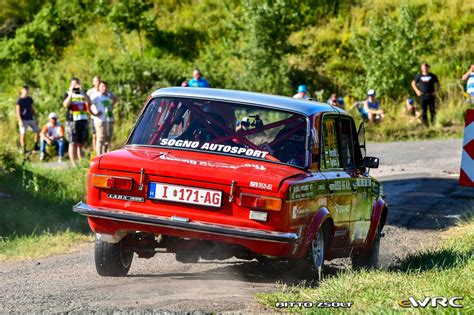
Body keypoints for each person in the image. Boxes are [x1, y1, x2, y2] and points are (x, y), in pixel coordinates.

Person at [63, 78, 92, 166]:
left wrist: (82, 91)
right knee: (72, 142)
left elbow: (90, 102)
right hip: (72, 121)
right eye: (74, 84)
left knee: (81, 142)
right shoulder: (68, 93)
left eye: (77, 84)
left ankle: (81, 161)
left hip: (83, 119)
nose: (75, 86)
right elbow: (65, 105)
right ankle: (73, 163)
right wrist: (71, 93)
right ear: (71, 85)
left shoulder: (83, 93)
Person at [90, 81, 117, 155]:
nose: (104, 88)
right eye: (102, 87)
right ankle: (99, 155)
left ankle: (105, 154)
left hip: (109, 119)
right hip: (100, 120)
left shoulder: (108, 96)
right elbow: (88, 104)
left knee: (108, 138)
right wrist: (94, 114)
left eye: (105, 87)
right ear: (99, 87)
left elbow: (115, 99)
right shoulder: (96, 97)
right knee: (101, 138)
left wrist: (109, 93)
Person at [16, 85, 40, 153]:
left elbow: (32, 109)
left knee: (38, 131)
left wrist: (36, 117)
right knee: (23, 133)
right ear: (22, 91)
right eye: (24, 90)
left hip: (30, 118)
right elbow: (17, 112)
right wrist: (20, 120)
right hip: (23, 119)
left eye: (27, 90)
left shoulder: (29, 99)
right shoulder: (19, 100)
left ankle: (36, 146)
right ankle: (23, 148)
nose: (26, 91)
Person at [87, 75, 101, 150]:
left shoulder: (103, 90)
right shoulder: (90, 92)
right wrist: (92, 113)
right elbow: (86, 104)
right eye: (96, 81)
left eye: (99, 81)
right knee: (95, 135)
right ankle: (95, 151)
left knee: (102, 135)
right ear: (93, 82)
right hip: (94, 117)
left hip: (103, 117)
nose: (98, 82)